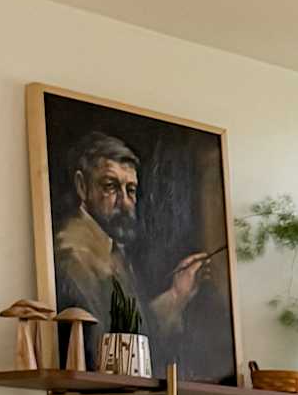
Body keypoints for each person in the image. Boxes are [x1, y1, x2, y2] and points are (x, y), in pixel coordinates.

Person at [50, 130, 220, 372]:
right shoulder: (74, 256)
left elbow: (131, 333)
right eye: (110, 186)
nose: (125, 202)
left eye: (130, 190)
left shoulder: (112, 248)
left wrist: (176, 294)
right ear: (81, 186)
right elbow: (101, 349)